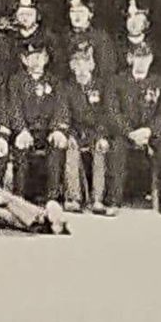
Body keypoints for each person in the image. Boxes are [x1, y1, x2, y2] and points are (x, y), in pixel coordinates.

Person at [0, 42, 69, 204]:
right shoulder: (16, 81)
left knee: (56, 148)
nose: (36, 61)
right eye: (32, 57)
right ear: (24, 60)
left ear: (46, 59)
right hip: (25, 130)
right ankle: (20, 196)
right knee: (21, 150)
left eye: (40, 57)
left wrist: (58, 129)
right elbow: (13, 107)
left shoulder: (55, 82)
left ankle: (53, 197)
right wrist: (21, 129)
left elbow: (61, 107)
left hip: (47, 130)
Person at [107, 42, 161, 216]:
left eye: (146, 58)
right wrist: (129, 132)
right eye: (138, 57)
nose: (141, 62)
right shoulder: (117, 81)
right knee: (116, 148)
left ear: (151, 59)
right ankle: (114, 200)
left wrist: (149, 131)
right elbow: (113, 112)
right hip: (126, 132)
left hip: (150, 132)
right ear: (130, 58)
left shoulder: (158, 82)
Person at [58, 43, 114, 214]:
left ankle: (98, 199)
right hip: (75, 131)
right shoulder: (66, 87)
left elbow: (107, 114)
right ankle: (73, 197)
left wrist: (102, 135)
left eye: (85, 62)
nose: (81, 68)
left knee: (100, 149)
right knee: (71, 148)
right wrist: (68, 134)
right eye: (77, 63)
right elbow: (63, 113)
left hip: (96, 132)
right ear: (71, 66)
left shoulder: (102, 86)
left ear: (92, 65)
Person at [53, 0, 119, 82]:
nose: (77, 16)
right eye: (73, 11)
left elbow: (107, 70)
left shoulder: (101, 38)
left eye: (81, 11)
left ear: (90, 13)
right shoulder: (63, 37)